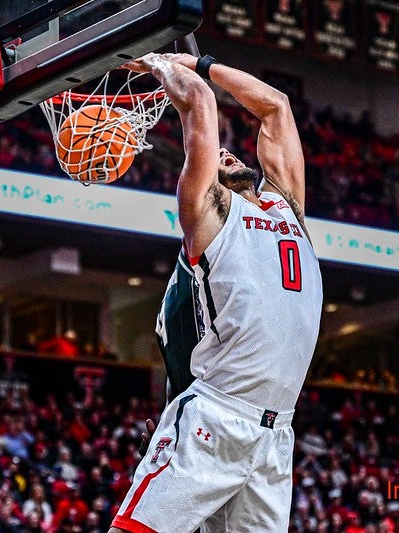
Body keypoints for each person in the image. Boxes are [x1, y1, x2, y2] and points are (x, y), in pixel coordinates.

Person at [110, 52, 323, 532]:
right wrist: (163, 64)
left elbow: (276, 108)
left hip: (276, 434)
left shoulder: (286, 204)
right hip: (218, 416)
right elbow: (199, 104)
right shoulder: (208, 213)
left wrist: (203, 62)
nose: (228, 154)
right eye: (219, 158)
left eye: (232, 153)